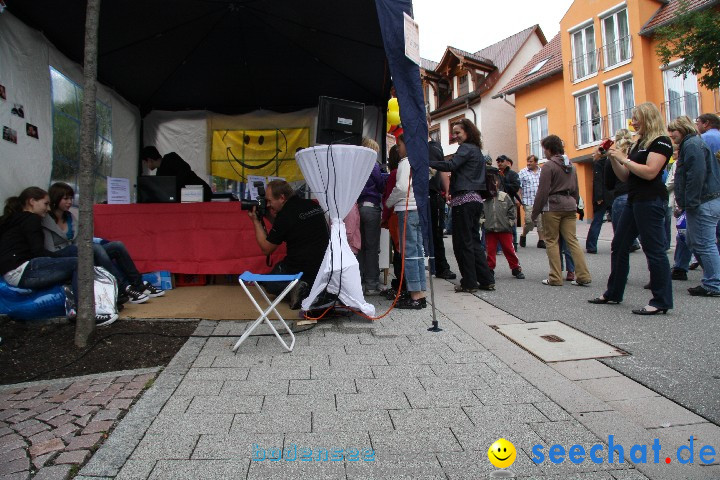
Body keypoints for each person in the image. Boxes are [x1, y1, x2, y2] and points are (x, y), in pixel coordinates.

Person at [589, 103, 673, 314]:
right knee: (619, 245)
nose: (633, 122)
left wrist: (623, 158)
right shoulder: (639, 143)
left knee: (654, 250)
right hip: (634, 199)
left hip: (651, 200)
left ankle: (661, 301)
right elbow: (626, 176)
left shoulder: (661, 142)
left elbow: (650, 172)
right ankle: (613, 293)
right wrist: (613, 158)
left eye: (636, 118)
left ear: (648, 118)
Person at [0, 187, 116, 326]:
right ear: (32, 202)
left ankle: (74, 309)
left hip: (12, 271)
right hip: (22, 269)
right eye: (45, 204)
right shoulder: (31, 219)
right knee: (78, 263)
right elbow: (38, 252)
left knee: (71, 262)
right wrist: (59, 259)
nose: (48, 209)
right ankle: (85, 314)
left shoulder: (12, 220)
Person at [42, 182, 162, 304]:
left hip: (77, 250)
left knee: (117, 246)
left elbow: (80, 240)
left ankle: (138, 284)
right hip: (61, 256)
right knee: (96, 248)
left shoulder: (70, 218)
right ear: (56, 199)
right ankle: (123, 287)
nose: (69, 202)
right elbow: (50, 250)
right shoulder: (46, 221)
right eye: (65, 199)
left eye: (71, 198)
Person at [430, 119, 495, 292]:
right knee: (473, 241)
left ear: (468, 132)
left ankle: (469, 282)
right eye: (454, 133)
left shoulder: (465, 148)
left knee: (462, 243)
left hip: (463, 200)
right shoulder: (477, 151)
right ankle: (486, 279)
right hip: (475, 199)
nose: (454, 136)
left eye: (458, 132)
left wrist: (428, 162)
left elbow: (451, 165)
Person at [248, 179, 329, 309]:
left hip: (298, 269)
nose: (268, 205)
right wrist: (268, 216)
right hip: (322, 268)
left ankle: (298, 289)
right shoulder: (312, 205)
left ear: (281, 197)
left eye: (269, 201)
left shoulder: (285, 215)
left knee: (270, 282)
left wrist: (256, 221)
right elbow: (288, 227)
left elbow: (266, 249)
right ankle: (309, 287)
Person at [669, 115, 720, 297]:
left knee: (705, 244)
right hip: (706, 200)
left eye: (673, 131)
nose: (671, 135)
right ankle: (712, 279)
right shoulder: (693, 144)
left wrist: (688, 203)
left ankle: (714, 283)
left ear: (682, 129)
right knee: (695, 242)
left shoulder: (691, 145)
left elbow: (696, 176)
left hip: (703, 202)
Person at [532, 135, 591, 287]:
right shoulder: (570, 164)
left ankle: (555, 277)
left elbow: (542, 191)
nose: (544, 152)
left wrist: (535, 212)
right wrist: (576, 204)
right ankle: (583, 275)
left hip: (553, 206)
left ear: (550, 149)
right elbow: (576, 189)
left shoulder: (548, 166)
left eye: (544, 149)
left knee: (552, 241)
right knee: (572, 240)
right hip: (570, 205)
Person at [385, 134, 427, 309]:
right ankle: (420, 292)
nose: (398, 148)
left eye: (399, 144)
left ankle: (414, 295)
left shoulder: (405, 163)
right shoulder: (419, 162)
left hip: (406, 209)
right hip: (417, 209)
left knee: (408, 252)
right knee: (417, 251)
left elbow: (402, 187)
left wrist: (389, 202)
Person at [482, 171, 525, 279]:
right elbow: (481, 212)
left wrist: (510, 222)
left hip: (504, 228)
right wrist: (482, 222)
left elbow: (511, 209)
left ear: (498, 183)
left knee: (509, 249)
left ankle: (515, 268)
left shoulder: (504, 196)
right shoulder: (485, 198)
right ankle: (490, 269)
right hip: (490, 229)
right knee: (490, 251)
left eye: (494, 181)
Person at [428, 119, 456, 280]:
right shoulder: (410, 143)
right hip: (416, 194)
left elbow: (443, 169)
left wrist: (447, 191)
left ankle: (441, 266)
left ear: (429, 123)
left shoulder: (436, 146)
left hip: (433, 193)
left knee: (437, 233)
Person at [605, 129, 641, 253]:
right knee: (650, 241)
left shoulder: (613, 157)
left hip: (621, 197)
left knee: (620, 244)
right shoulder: (637, 154)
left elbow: (609, 184)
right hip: (639, 195)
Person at [356, 137, 385, 295]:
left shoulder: (354, 165)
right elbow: (381, 186)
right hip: (371, 207)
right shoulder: (372, 165)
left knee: (358, 248)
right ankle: (372, 284)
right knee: (372, 248)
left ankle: (358, 281)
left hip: (357, 208)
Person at [141, 146, 212, 202]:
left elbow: (185, 170)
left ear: (150, 160)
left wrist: (172, 187)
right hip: (186, 200)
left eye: (145, 163)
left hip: (201, 193)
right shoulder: (159, 173)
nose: (146, 165)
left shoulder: (171, 158)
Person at [585, 147, 613, 253]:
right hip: (611, 196)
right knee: (617, 221)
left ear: (599, 154)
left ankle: (591, 245)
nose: (593, 156)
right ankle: (632, 243)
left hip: (603, 197)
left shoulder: (598, 164)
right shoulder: (610, 162)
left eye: (594, 153)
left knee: (597, 221)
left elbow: (598, 181)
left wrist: (598, 197)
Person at [518, 154, 545, 248]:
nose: (529, 163)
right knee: (530, 221)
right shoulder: (523, 172)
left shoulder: (542, 172)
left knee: (541, 221)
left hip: (540, 201)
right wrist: (518, 198)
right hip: (528, 200)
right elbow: (519, 187)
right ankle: (523, 235)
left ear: (536, 162)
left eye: (531, 161)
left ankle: (541, 240)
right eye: (528, 161)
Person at [496, 155, 521, 249]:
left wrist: (504, 181)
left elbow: (515, 187)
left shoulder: (513, 174)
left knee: (511, 222)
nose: (500, 163)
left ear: (507, 162)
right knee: (498, 223)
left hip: (509, 201)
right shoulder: (496, 173)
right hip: (497, 202)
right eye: (498, 161)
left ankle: (513, 244)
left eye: (502, 161)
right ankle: (499, 246)